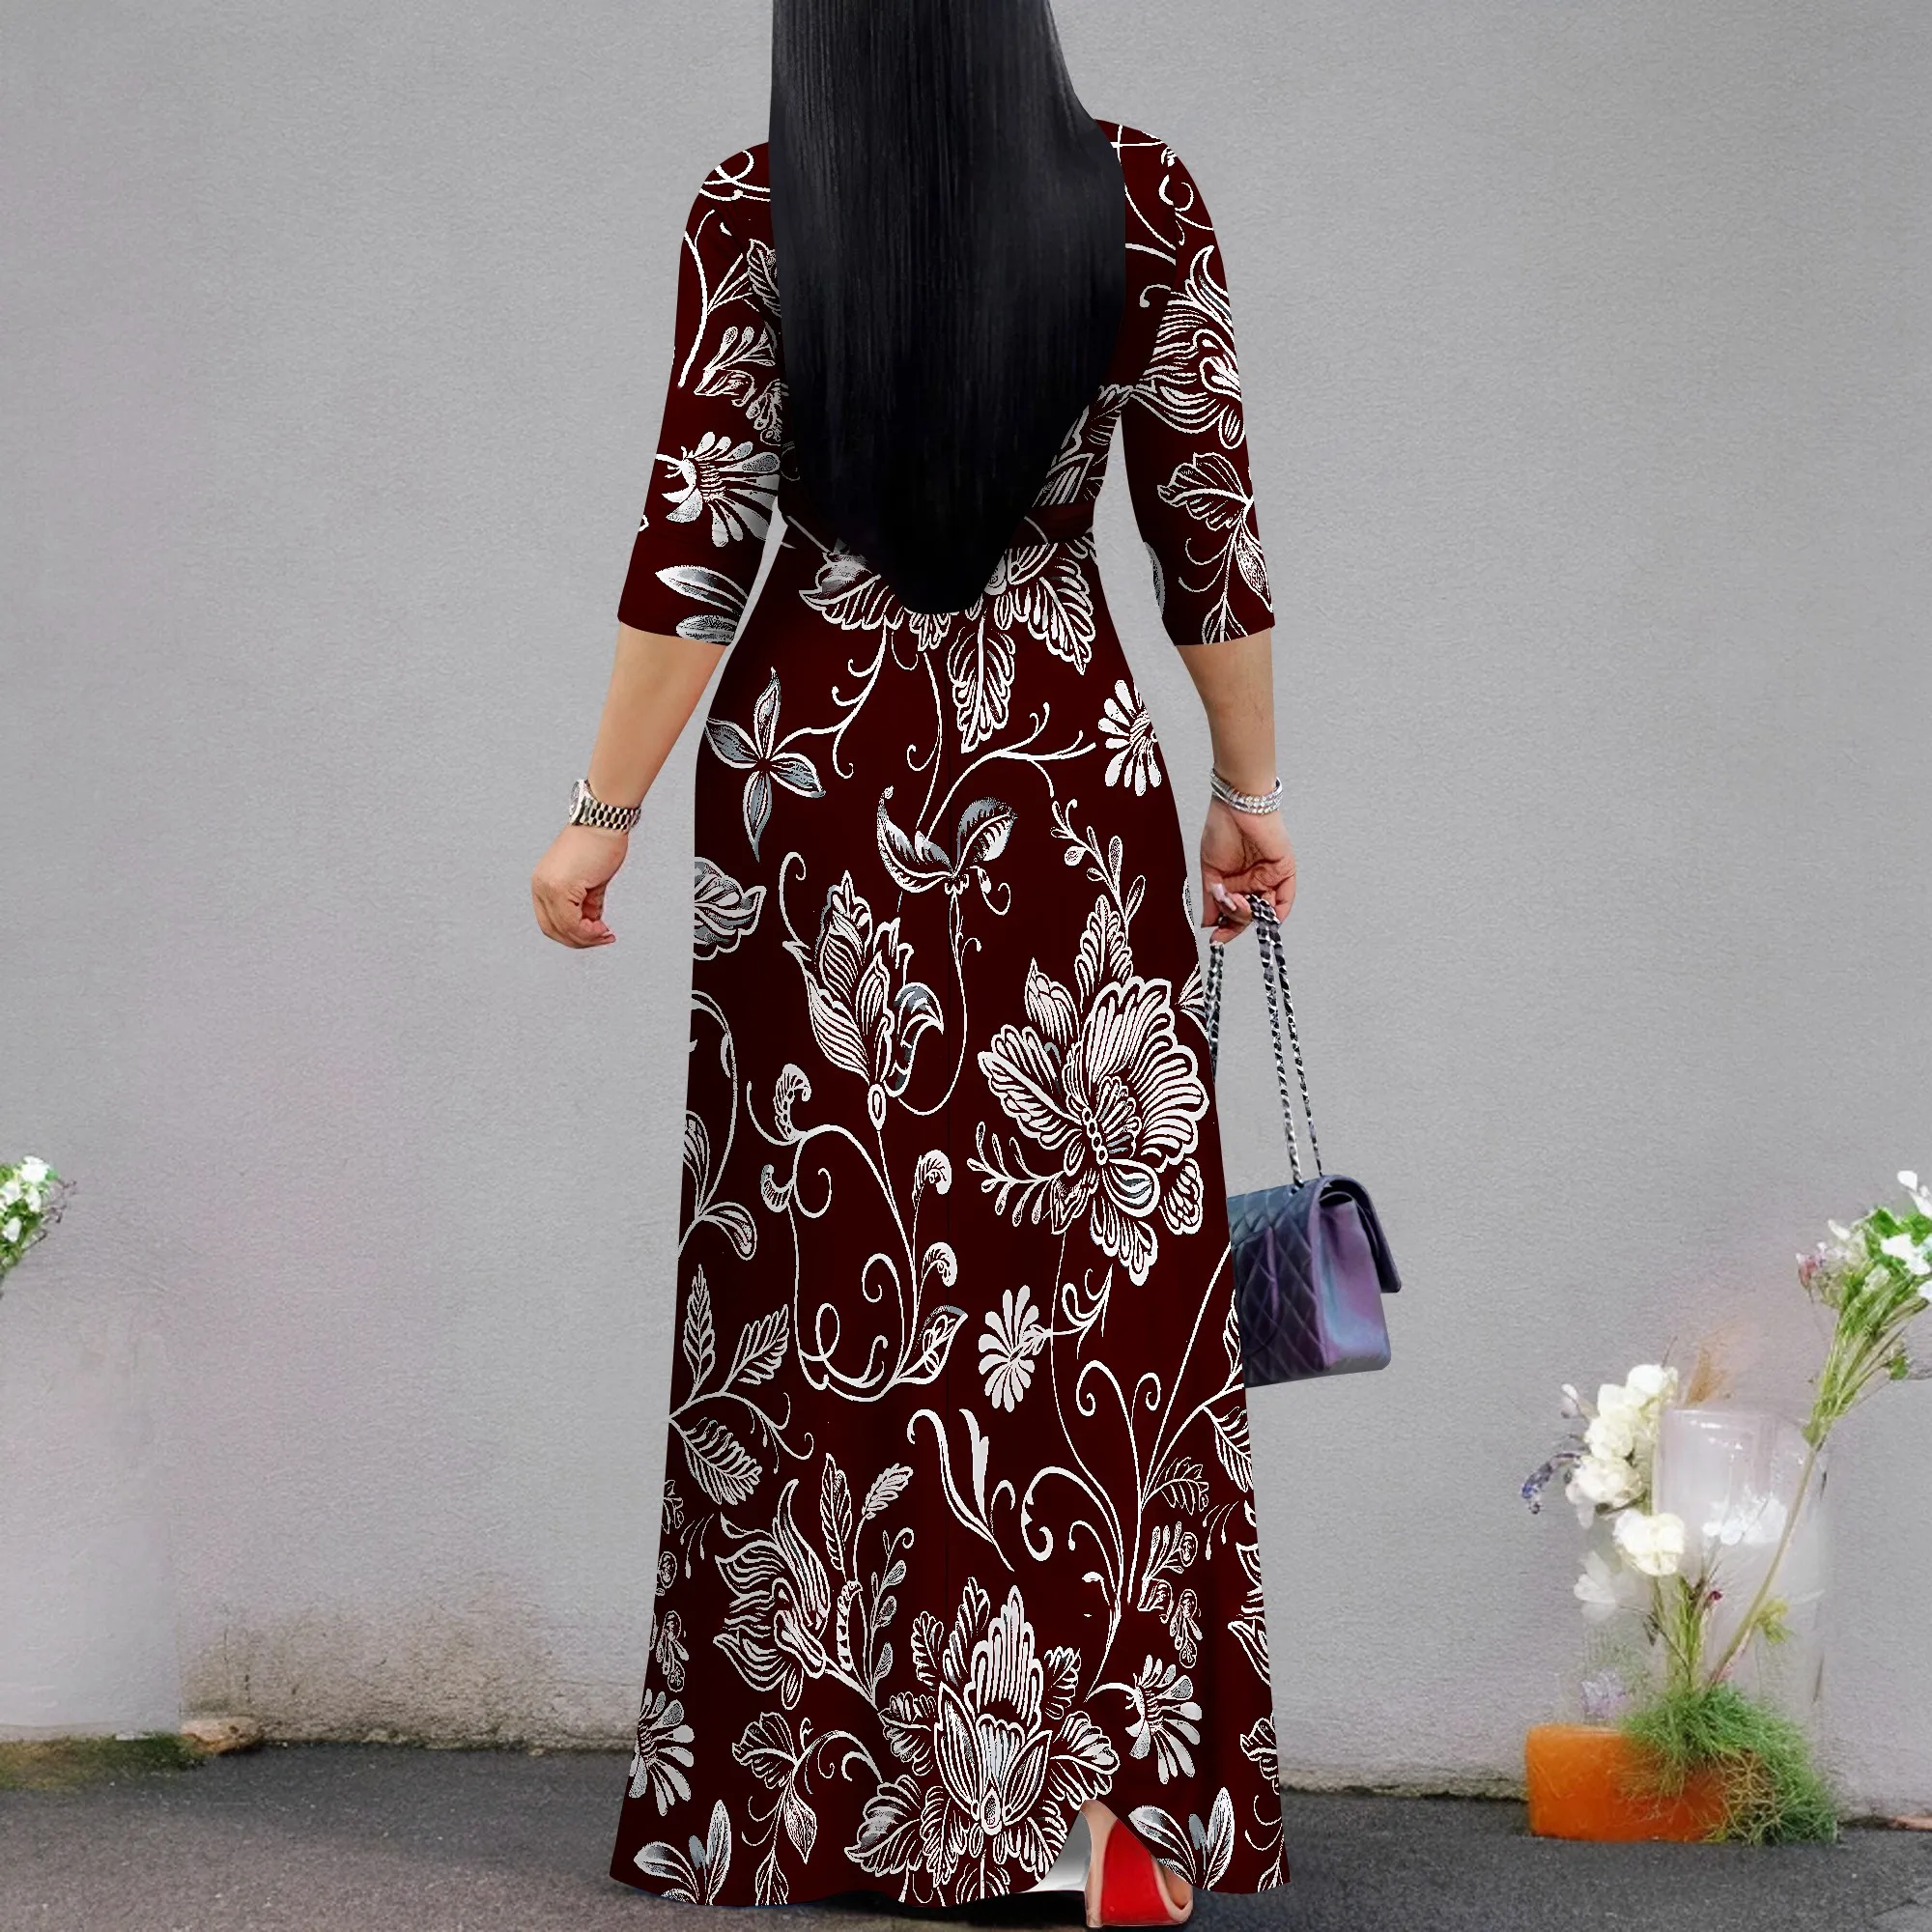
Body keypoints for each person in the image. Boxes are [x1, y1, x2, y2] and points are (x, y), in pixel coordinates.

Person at [530, 1, 1296, 1918]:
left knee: (823, 1271)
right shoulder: (1140, 197)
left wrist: (601, 811)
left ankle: (806, 1803)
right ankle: (1101, 1826)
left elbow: (696, 539)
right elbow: (1208, 531)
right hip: (1065, 766)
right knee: (1086, 1281)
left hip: (819, 770)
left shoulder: (753, 210)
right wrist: (1247, 788)